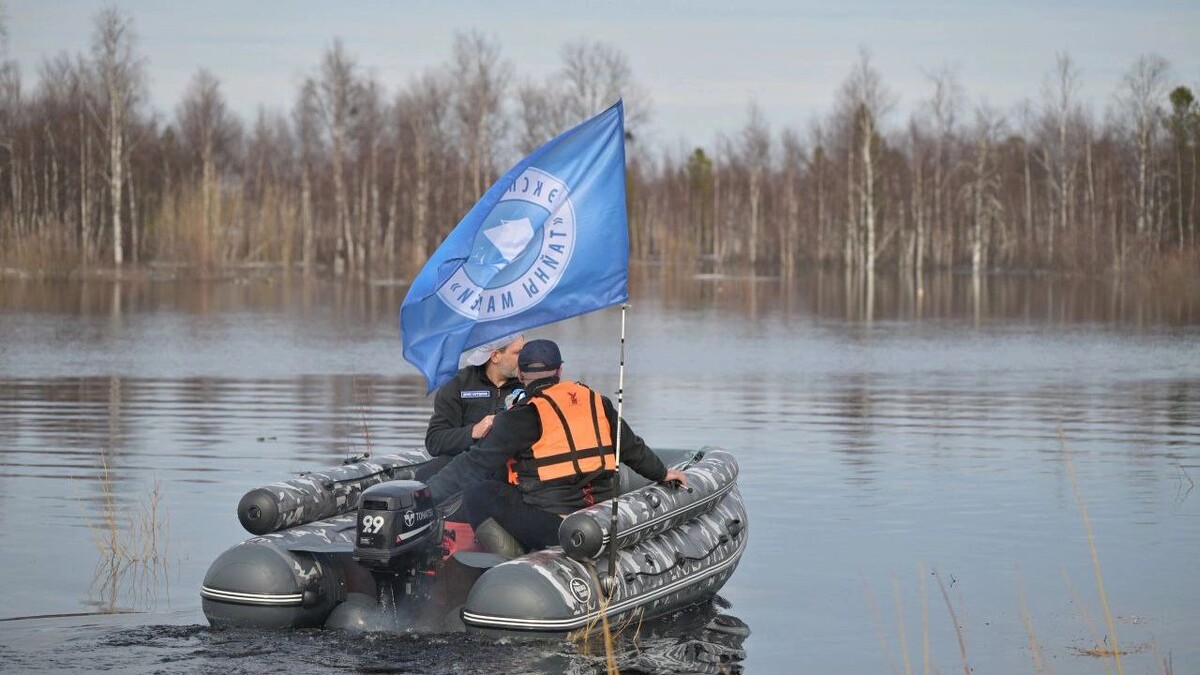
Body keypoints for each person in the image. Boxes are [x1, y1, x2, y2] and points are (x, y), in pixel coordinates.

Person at [427, 339, 688, 557]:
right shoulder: (597, 402)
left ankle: (517, 564)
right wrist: (662, 473)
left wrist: (428, 497)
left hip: (556, 525)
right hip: (601, 515)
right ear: (560, 371)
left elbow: (473, 464)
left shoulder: (520, 416)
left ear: (521, 375)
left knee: (478, 492)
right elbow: (632, 448)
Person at [424, 333, 525, 459]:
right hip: (465, 463)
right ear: (495, 356)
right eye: (518, 353)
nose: (525, 358)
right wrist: (474, 431)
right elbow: (434, 442)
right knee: (430, 470)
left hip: (513, 464)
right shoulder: (458, 384)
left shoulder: (529, 384)